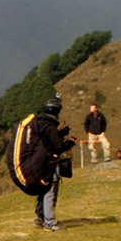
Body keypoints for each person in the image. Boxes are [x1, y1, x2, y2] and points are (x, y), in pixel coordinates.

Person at [33, 97, 76, 232]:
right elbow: (57, 147)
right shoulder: (50, 127)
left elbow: (49, 140)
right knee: (50, 191)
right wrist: (70, 142)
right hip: (49, 164)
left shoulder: (41, 124)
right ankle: (50, 222)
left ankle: (40, 218)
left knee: (43, 190)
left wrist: (61, 133)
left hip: (39, 162)